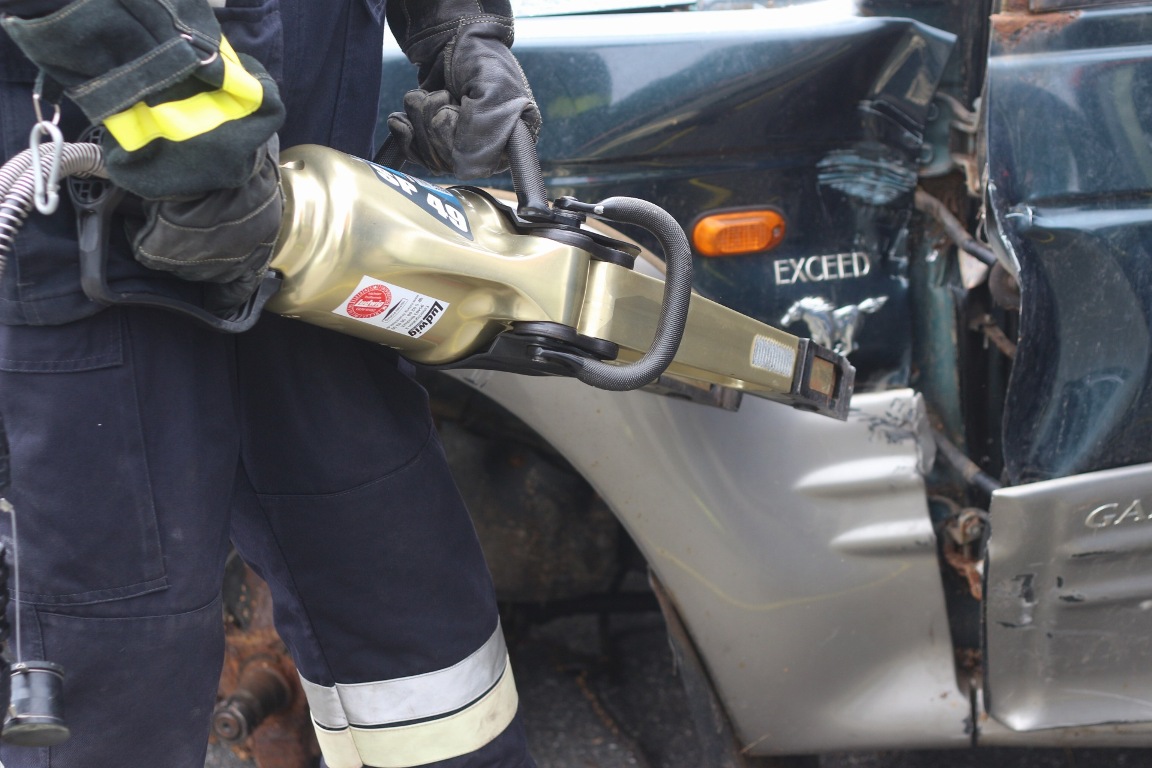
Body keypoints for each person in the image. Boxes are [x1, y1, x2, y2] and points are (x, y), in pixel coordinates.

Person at [0, 0, 541, 766]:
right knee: (121, 667)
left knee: (411, 614)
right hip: (100, 174)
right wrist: (190, 130)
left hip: (313, 198)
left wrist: (455, 27)